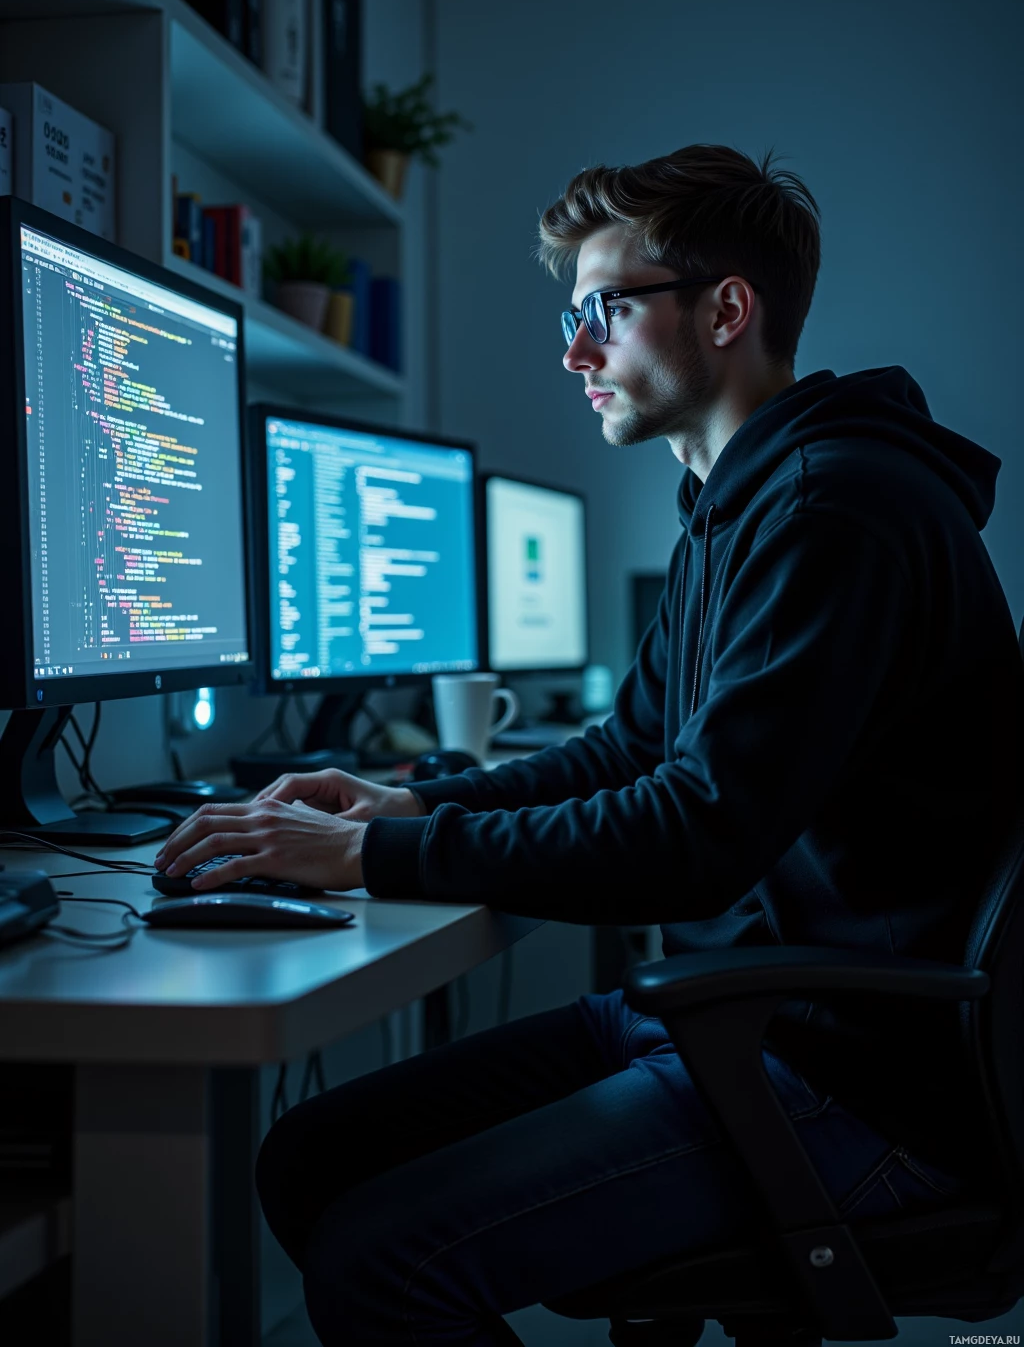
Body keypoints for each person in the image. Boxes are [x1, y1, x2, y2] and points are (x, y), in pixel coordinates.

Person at [155, 145, 1024, 1346]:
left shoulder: (834, 508)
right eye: (574, 316)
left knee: (376, 1261)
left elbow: (695, 835)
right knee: (311, 1158)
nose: (573, 353)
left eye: (606, 311)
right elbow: (630, 752)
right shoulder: (736, 501)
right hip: (733, 1020)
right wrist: (399, 810)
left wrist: (369, 863)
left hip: (848, 1078)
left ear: (726, 308)